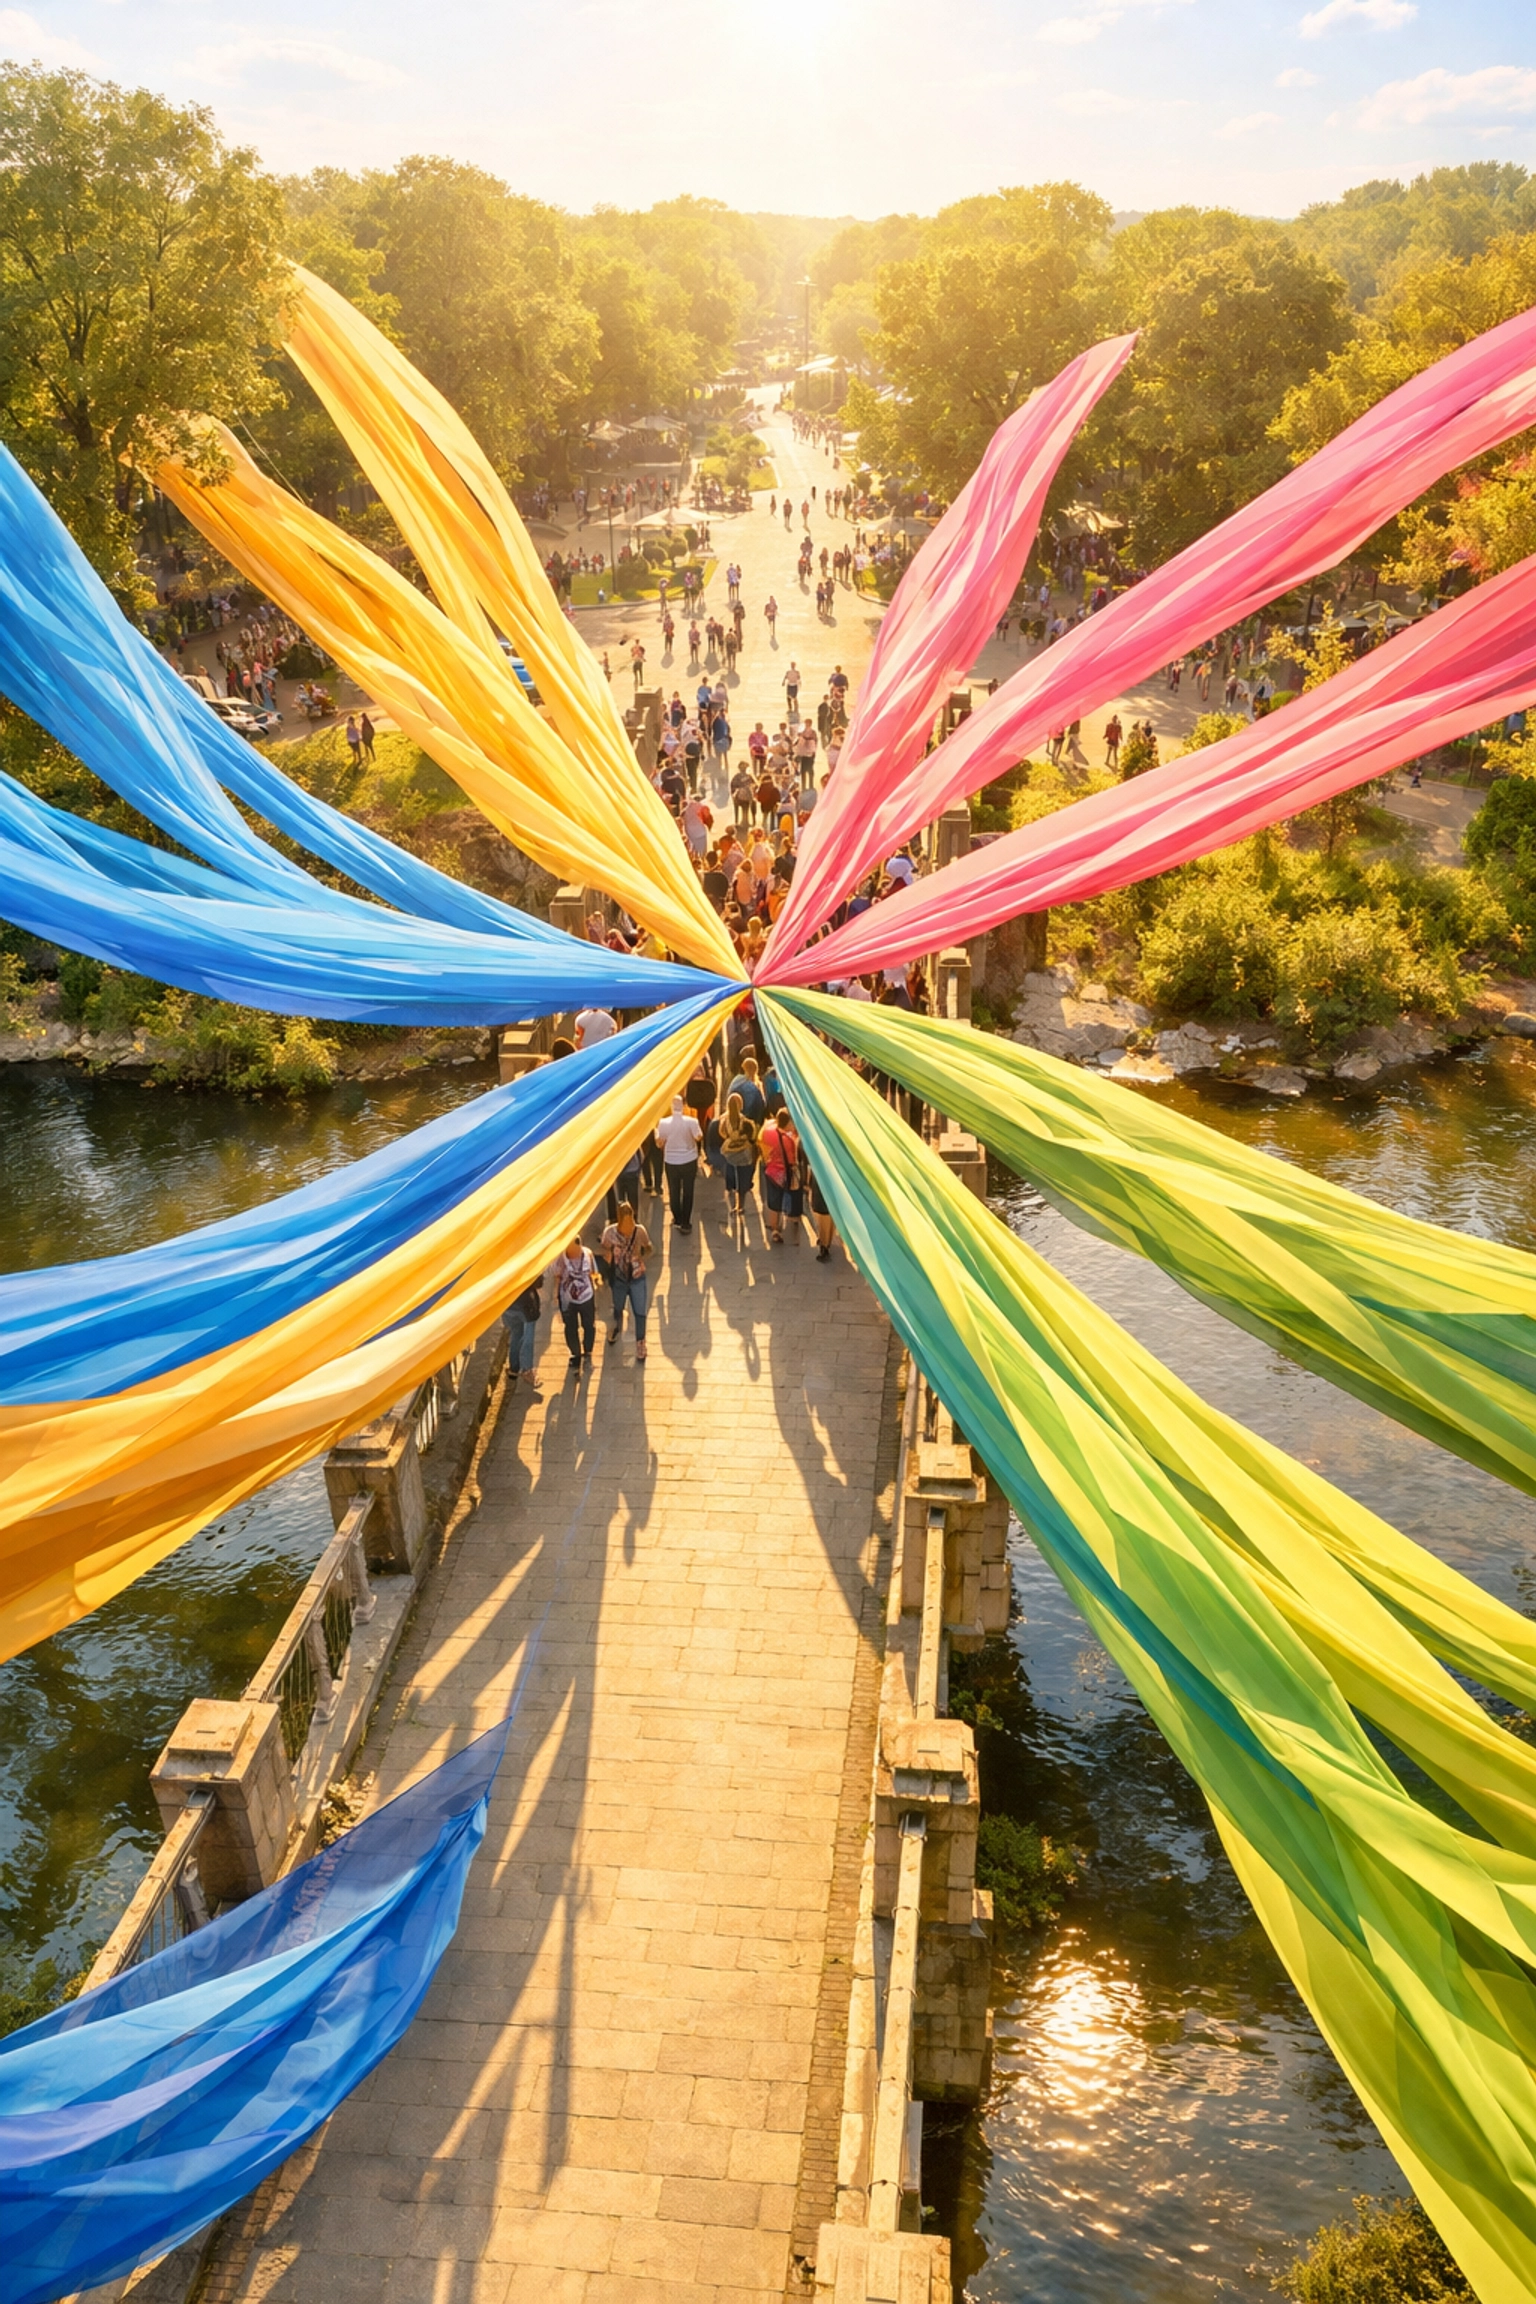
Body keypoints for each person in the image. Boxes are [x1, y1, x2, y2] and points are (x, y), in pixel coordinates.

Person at [600, 1201, 652, 1360]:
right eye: (626, 1222)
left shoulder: (639, 1230)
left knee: (640, 1311)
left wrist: (642, 1256)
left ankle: (640, 1343)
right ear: (620, 1219)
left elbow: (648, 1246)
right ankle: (615, 1329)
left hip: (637, 1276)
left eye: (632, 1220)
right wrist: (608, 1257)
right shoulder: (610, 1232)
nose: (630, 1226)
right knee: (618, 1307)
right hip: (619, 1277)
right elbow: (604, 1249)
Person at [656, 1094, 703, 1232]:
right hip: (689, 1160)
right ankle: (686, 1222)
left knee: (674, 1190)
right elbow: (699, 1137)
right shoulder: (692, 1122)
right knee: (688, 1191)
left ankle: (677, 1218)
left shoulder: (663, 1123)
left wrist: (658, 1135)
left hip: (671, 1161)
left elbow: (659, 1143)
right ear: (683, 1106)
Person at [759, 1106, 803, 1246]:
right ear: (788, 1123)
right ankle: (793, 1218)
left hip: (770, 1171)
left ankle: (775, 1230)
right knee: (791, 1193)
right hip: (783, 1173)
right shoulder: (789, 1140)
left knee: (774, 1201)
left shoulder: (768, 1130)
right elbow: (792, 1160)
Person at [552, 1236, 597, 1370]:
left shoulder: (588, 1254)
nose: (574, 1253)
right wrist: (555, 1296)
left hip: (587, 1297)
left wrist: (597, 1288)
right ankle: (575, 1354)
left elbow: (593, 1273)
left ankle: (588, 1352)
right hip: (568, 1299)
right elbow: (557, 1276)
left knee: (589, 1325)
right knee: (570, 1328)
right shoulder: (561, 1258)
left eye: (576, 1249)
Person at [718, 1092, 759, 1217]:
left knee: (732, 1175)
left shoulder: (724, 1120)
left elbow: (722, 1134)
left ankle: (732, 1199)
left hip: (730, 1154)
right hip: (744, 1154)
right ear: (740, 1105)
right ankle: (740, 1206)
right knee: (743, 1178)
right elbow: (753, 1137)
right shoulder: (746, 1122)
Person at [502, 1274, 543, 1388]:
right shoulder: (528, 1261)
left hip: (508, 1305)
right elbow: (539, 1283)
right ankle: (527, 1370)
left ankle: (514, 1369)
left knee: (516, 1334)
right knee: (528, 1337)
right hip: (526, 1305)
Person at [805, 1164, 836, 1261]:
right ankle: (826, 1242)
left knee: (823, 1214)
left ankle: (824, 1246)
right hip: (831, 1180)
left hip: (821, 1178)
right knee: (830, 1213)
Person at [727, 1052, 767, 1124]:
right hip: (751, 1122)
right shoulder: (755, 1088)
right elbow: (761, 1106)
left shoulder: (736, 1081)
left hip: (733, 1117)